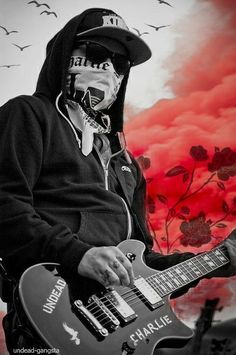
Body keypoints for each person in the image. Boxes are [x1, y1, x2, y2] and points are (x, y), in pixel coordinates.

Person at [0, 7, 236, 353]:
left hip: (119, 330)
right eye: (97, 54)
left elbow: (144, 262)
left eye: (120, 63)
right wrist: (78, 254)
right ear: (66, 54)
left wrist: (219, 258)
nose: (109, 68)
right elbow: (4, 204)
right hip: (53, 309)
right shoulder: (29, 115)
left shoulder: (124, 163)